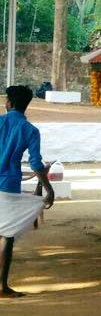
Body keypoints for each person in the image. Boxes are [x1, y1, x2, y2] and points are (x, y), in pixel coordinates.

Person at [0, 85, 53, 298]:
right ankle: (2, 287)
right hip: (9, 186)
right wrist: (48, 189)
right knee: (7, 236)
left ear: (9, 103)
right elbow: (36, 163)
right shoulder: (30, 130)